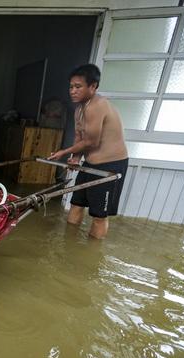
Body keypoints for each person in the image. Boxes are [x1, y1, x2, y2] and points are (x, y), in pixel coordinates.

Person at [47, 64, 128, 239]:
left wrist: (63, 152)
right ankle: (68, 246)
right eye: (71, 86)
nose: (72, 91)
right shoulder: (80, 109)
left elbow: (92, 141)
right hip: (90, 163)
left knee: (99, 215)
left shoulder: (98, 105)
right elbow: (79, 137)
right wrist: (75, 158)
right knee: (76, 203)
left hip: (109, 167)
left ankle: (92, 255)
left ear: (93, 87)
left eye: (78, 87)